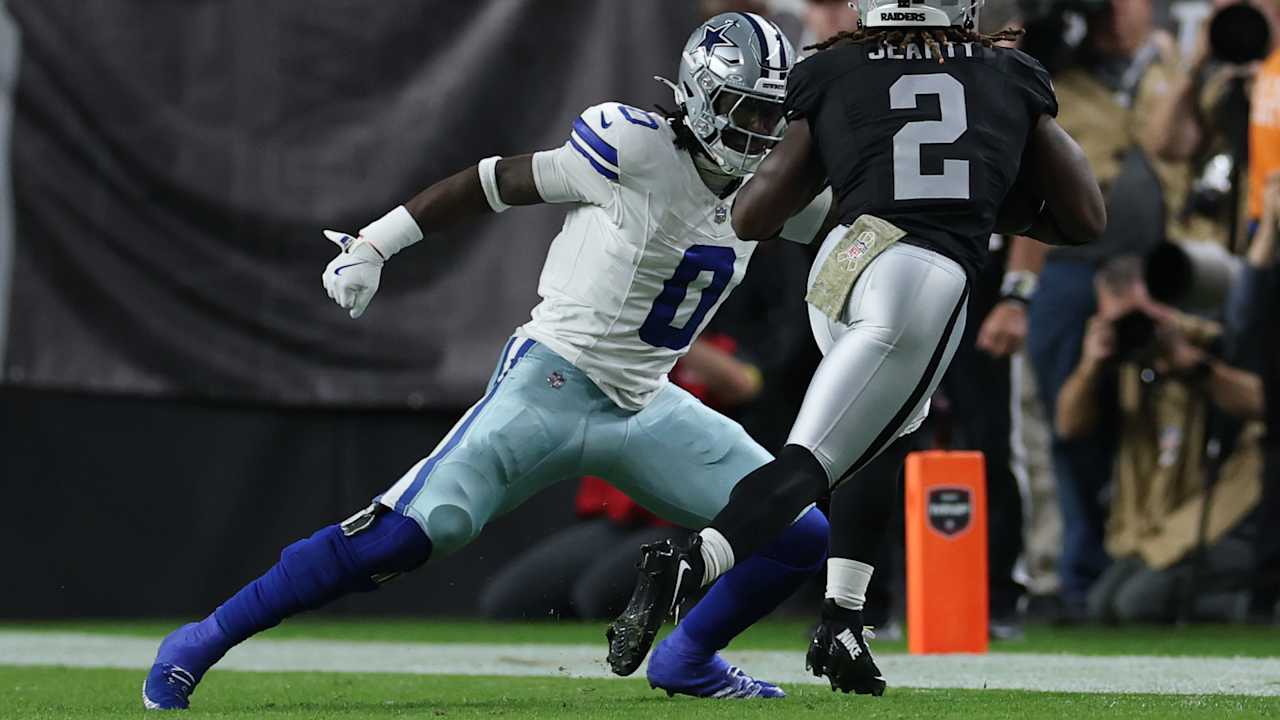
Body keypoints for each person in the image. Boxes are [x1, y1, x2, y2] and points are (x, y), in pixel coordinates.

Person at [143, 13, 836, 710]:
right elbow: (494, 182)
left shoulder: (770, 190)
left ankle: (688, 658)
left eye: (769, 115)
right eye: (744, 108)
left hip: (646, 400)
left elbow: (847, 230)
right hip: (554, 379)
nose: (758, 130)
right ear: (701, 95)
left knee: (798, 531)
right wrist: (376, 243)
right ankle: (198, 641)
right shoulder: (634, 148)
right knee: (409, 532)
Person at [607, 0, 1106, 695]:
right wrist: (982, 198)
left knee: (880, 433)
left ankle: (843, 619)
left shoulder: (833, 66)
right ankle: (691, 562)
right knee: (813, 460)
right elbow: (1085, 218)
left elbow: (754, 215)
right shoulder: (1008, 71)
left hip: (842, 264)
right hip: (921, 279)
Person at [1056, 256, 1265, 623]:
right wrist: (1091, 364)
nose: (1134, 330)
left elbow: (1262, 404)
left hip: (1230, 523)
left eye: (1140, 317)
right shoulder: (1122, 364)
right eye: (1118, 322)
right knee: (1102, 605)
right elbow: (1068, 427)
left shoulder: (1214, 340)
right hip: (1160, 532)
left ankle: (1253, 604)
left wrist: (1194, 365)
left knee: (1136, 604)